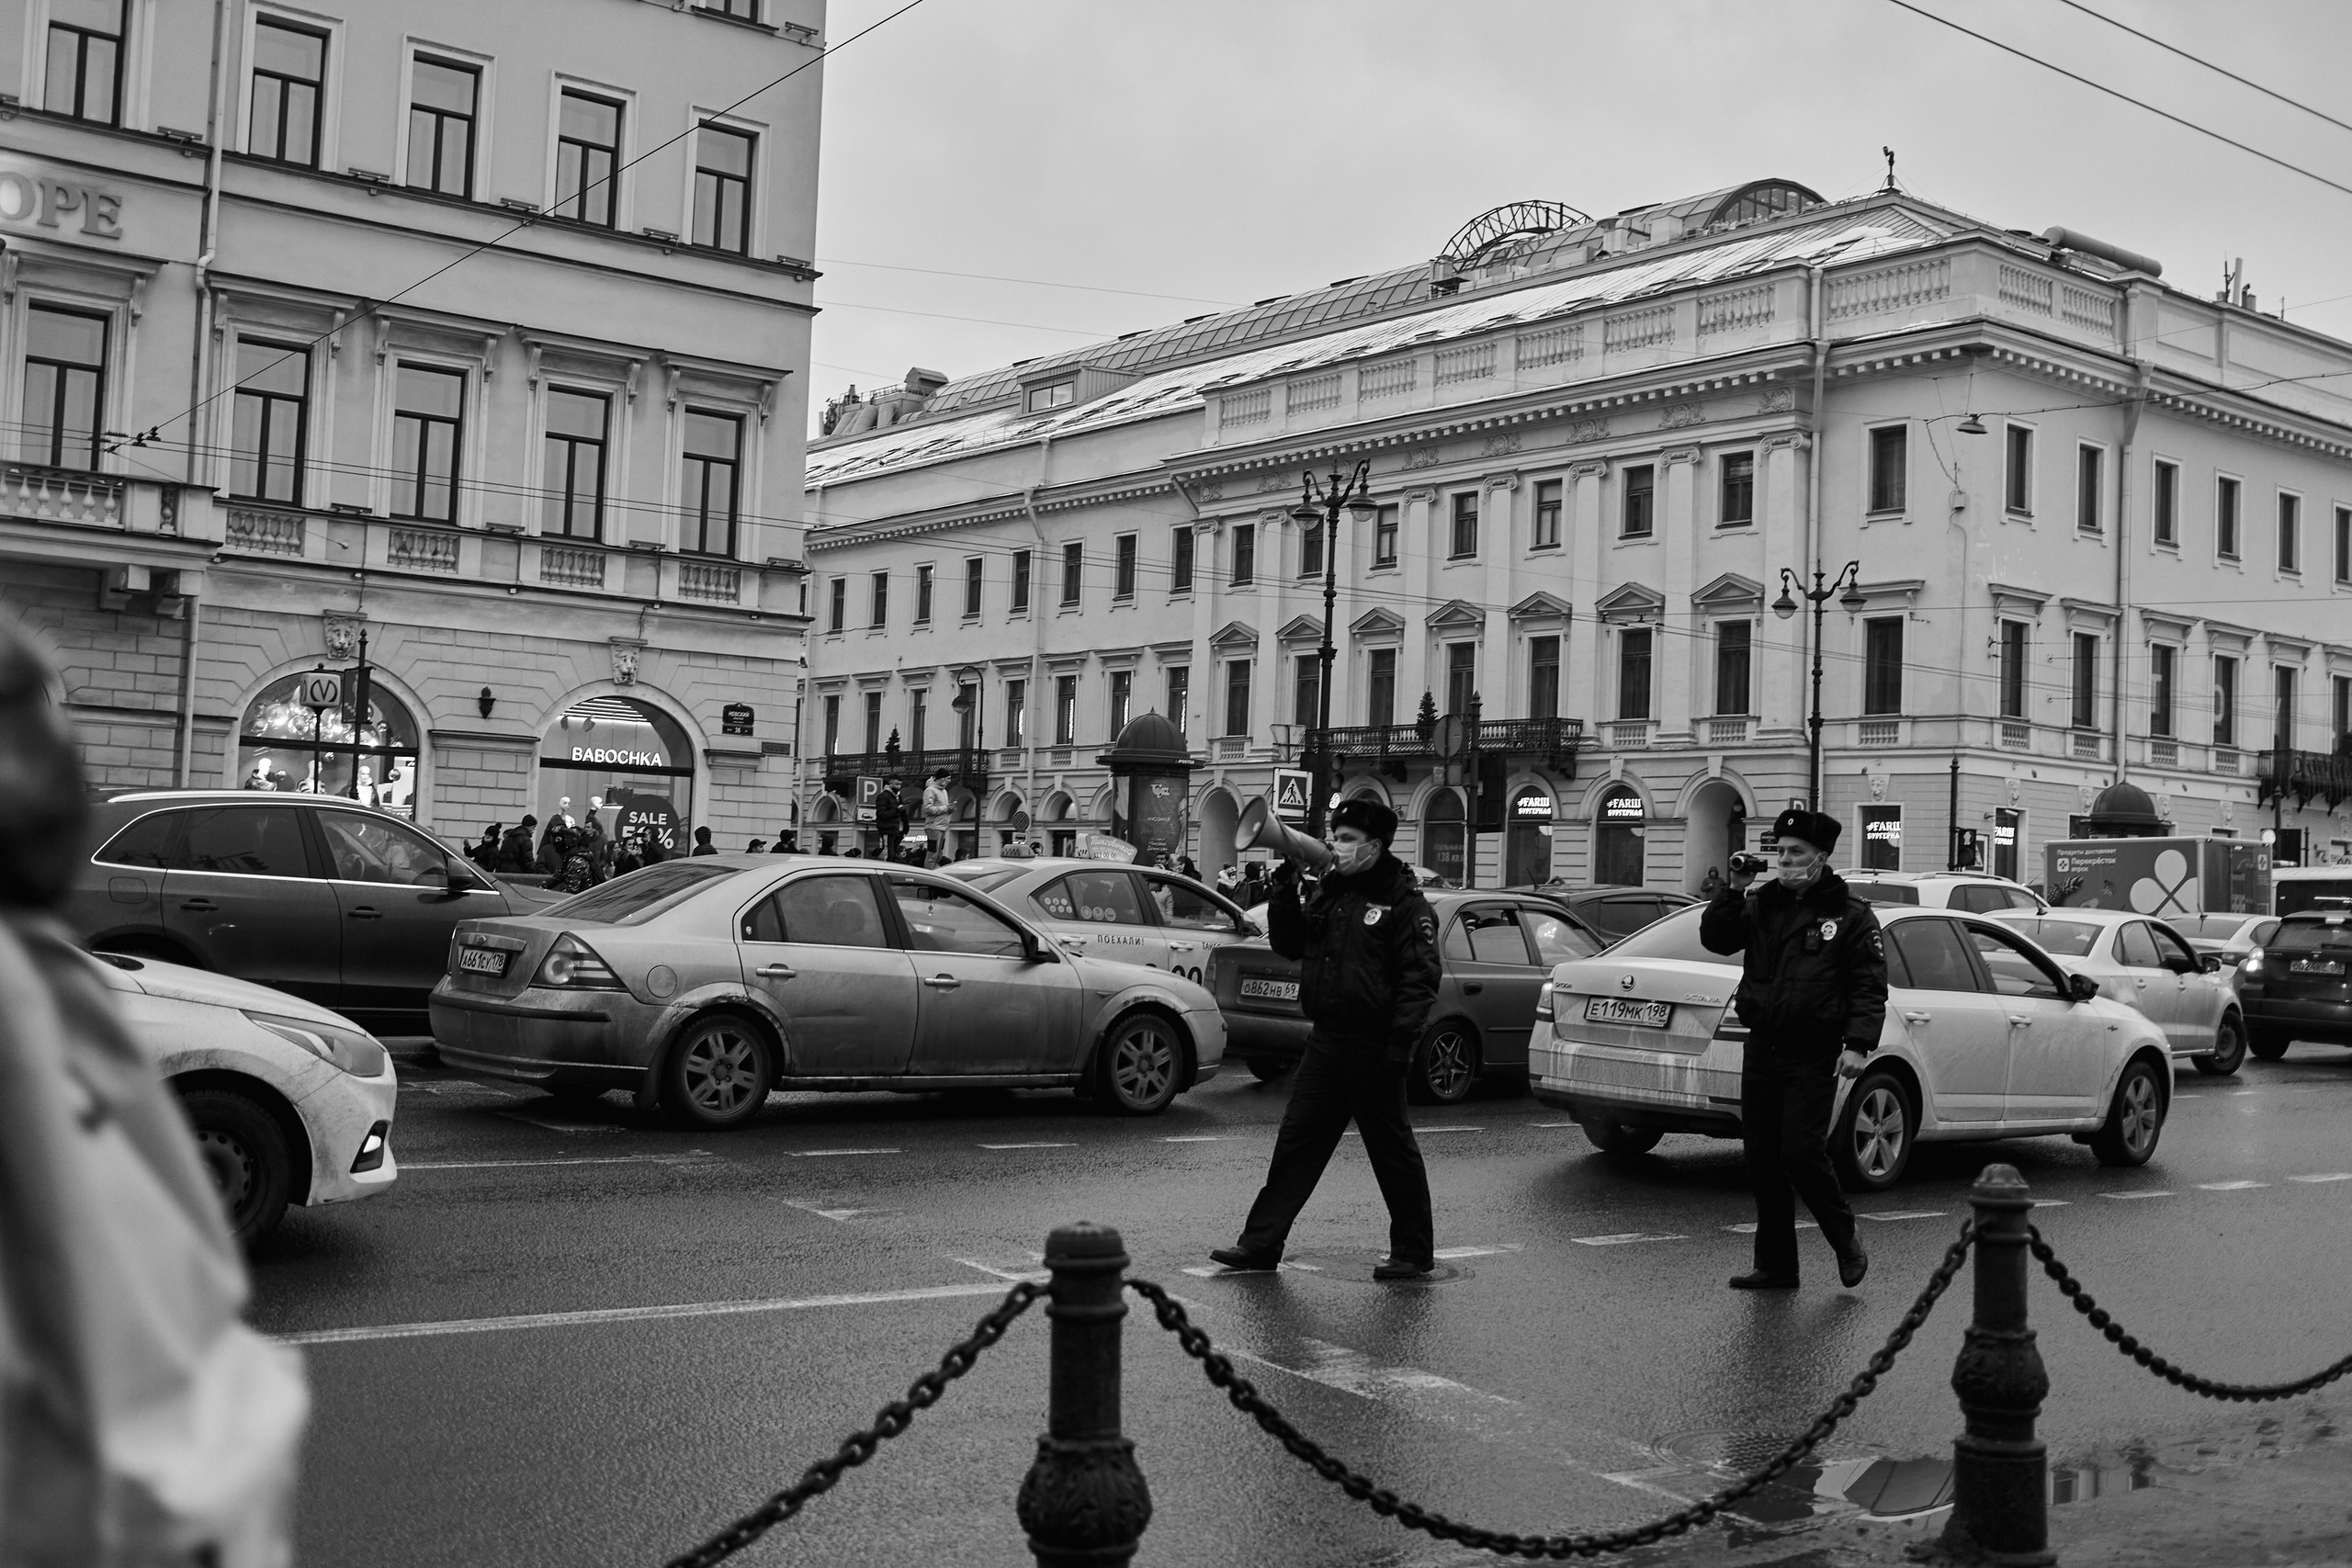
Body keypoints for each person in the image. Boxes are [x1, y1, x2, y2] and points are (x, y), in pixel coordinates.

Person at [1213, 799, 1442, 1281]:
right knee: (1297, 1145)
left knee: (1391, 1151)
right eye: (1334, 836)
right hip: (1326, 1042)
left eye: (1348, 839)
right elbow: (1291, 945)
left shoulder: (1404, 902)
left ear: (1374, 846)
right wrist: (1284, 891)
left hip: (1375, 1045)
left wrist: (1400, 1045)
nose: (1337, 846)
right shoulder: (1332, 893)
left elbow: (1419, 980)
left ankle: (1413, 1252)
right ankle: (1259, 1245)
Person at [1699, 808, 1887, 1292]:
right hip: (1763, 1044)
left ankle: (1845, 1240)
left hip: (1812, 1049)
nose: (1785, 860)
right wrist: (1733, 888)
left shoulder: (1850, 915)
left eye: (1796, 852)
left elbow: (1869, 984)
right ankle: (1778, 1265)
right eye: (1780, 852)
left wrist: (1859, 1044)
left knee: (1802, 1154)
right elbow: (1716, 939)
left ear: (1820, 858)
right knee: (1761, 1156)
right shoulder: (1762, 903)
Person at [921, 770, 952, 866]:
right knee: (932, 854)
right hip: (933, 826)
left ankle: (935, 873)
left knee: (939, 855)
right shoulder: (930, 790)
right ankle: (929, 875)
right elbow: (928, 808)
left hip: (942, 826)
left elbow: (942, 808)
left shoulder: (944, 791)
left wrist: (950, 809)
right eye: (948, 778)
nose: (950, 781)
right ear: (942, 779)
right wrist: (946, 808)